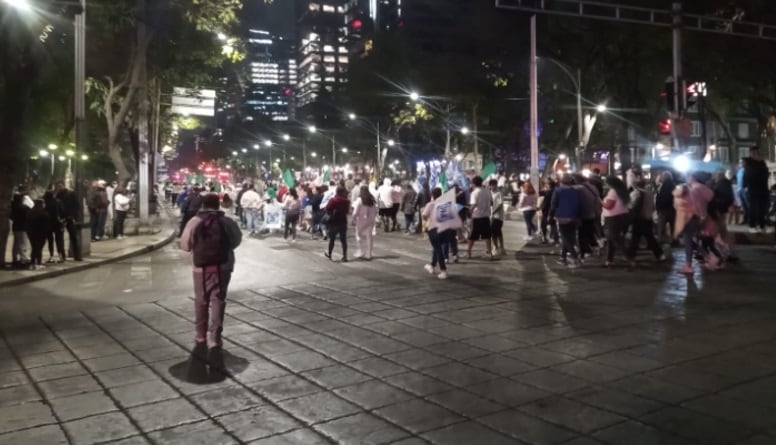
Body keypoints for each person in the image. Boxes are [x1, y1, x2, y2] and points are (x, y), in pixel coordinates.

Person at [180, 193, 242, 351]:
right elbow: (236, 241)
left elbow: (185, 245)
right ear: (218, 204)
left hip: (201, 268)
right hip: (224, 266)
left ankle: (200, 335)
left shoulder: (194, 222)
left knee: (201, 301)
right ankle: (214, 338)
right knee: (218, 300)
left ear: (202, 205)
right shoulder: (227, 222)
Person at [674, 172, 714, 275]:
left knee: (688, 241)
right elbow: (708, 199)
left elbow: (689, 204)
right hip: (699, 217)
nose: (687, 179)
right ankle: (707, 257)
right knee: (690, 241)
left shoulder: (692, 190)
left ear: (692, 177)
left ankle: (690, 264)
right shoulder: (703, 188)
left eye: (688, 177)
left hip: (690, 217)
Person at [626, 179, 665, 267]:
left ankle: (631, 256)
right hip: (648, 218)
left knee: (635, 239)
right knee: (650, 238)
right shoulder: (650, 194)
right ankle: (660, 254)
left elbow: (631, 205)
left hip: (639, 218)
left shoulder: (636, 193)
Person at [550, 174, 582, 268]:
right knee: (570, 237)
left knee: (565, 238)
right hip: (574, 216)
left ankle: (574, 258)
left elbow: (553, 204)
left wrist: (550, 215)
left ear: (561, 182)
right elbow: (580, 204)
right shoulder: (577, 191)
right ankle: (563, 257)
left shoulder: (558, 190)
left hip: (562, 216)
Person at [602, 176, 631, 267]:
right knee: (611, 239)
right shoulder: (622, 191)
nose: (605, 185)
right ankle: (609, 260)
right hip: (622, 216)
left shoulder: (612, 192)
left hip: (612, 217)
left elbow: (609, 206)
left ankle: (629, 257)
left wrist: (600, 202)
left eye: (606, 183)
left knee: (615, 239)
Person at [422, 188, 449, 279]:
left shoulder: (430, 204)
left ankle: (443, 270)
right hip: (444, 229)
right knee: (437, 247)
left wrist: (428, 221)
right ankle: (432, 265)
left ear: (432, 195)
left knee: (438, 249)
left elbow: (424, 216)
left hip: (434, 229)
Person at [575, 173, 601, 260]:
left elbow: (578, 202)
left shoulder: (579, 189)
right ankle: (594, 247)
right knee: (589, 231)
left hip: (583, 214)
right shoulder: (593, 187)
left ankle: (583, 252)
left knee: (581, 234)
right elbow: (597, 200)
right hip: (593, 213)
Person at [466, 176, 493, 259]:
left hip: (477, 217)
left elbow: (473, 205)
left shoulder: (474, 193)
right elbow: (491, 202)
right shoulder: (487, 191)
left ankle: (469, 252)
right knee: (487, 236)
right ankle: (489, 253)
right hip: (486, 217)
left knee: (472, 236)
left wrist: (469, 213)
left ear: (473, 184)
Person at [744, 147, 770, 233]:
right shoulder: (750, 164)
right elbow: (748, 176)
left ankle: (761, 225)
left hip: (762, 189)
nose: (757, 155)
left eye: (758, 153)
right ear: (752, 154)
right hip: (754, 189)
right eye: (755, 153)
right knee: (754, 207)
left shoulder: (761, 163)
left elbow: (765, 174)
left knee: (762, 208)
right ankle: (752, 225)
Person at [55, 181, 82, 261]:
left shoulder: (68, 194)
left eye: (60, 186)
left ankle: (74, 255)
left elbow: (77, 205)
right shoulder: (58, 195)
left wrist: (73, 216)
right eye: (58, 186)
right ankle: (65, 256)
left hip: (67, 217)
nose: (59, 188)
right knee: (65, 237)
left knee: (71, 237)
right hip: (64, 218)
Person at [324, 187, 351, 262]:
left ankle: (330, 254)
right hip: (343, 221)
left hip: (334, 221)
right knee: (343, 240)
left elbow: (327, 208)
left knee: (332, 239)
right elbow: (347, 211)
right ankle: (345, 256)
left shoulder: (333, 200)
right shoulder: (347, 201)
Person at [352, 185, 378, 260]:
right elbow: (376, 210)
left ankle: (360, 250)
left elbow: (356, 211)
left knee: (358, 235)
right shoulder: (372, 199)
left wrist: (353, 218)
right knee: (369, 237)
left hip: (361, 220)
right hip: (371, 220)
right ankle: (369, 254)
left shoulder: (360, 200)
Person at [43, 184, 65, 263]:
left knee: (50, 241)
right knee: (59, 240)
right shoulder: (57, 202)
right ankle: (61, 255)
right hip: (57, 223)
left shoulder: (45, 204)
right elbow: (62, 212)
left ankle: (51, 255)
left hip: (48, 224)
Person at [26, 199, 50, 270]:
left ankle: (32, 262)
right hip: (41, 233)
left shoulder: (30, 212)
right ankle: (38, 263)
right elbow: (46, 224)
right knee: (39, 248)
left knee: (34, 247)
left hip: (31, 233)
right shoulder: (43, 213)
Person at [10, 190, 32, 266]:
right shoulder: (22, 207)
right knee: (22, 243)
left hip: (15, 227)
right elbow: (28, 213)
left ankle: (15, 258)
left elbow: (11, 216)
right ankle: (24, 258)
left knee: (16, 243)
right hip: (22, 227)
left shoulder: (13, 206)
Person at [655, 171, 677, 245]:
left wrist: (658, 208)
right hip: (672, 209)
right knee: (673, 226)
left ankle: (660, 240)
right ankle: (674, 240)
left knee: (661, 227)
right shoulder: (673, 185)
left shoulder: (662, 186)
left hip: (663, 209)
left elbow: (659, 197)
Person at [539, 178, 559, 244]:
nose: (546, 185)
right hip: (553, 210)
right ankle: (555, 238)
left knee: (544, 225)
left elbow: (546, 202)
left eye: (547, 184)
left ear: (550, 185)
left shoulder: (549, 192)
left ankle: (545, 238)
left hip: (547, 211)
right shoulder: (555, 191)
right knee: (553, 224)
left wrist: (541, 208)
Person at [489, 179, 506, 255]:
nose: (493, 186)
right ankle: (501, 248)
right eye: (492, 185)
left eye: (494, 185)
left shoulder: (499, 193)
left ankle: (496, 248)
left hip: (498, 216)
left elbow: (500, 205)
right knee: (498, 232)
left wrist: (493, 211)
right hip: (491, 216)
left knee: (493, 233)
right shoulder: (489, 193)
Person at [736, 158, 749, 225]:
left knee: (748, 205)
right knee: (744, 206)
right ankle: (745, 220)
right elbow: (739, 180)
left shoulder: (748, 170)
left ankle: (751, 220)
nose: (740, 163)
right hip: (740, 190)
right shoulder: (740, 171)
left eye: (742, 162)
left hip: (746, 190)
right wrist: (738, 189)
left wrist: (747, 188)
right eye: (740, 162)